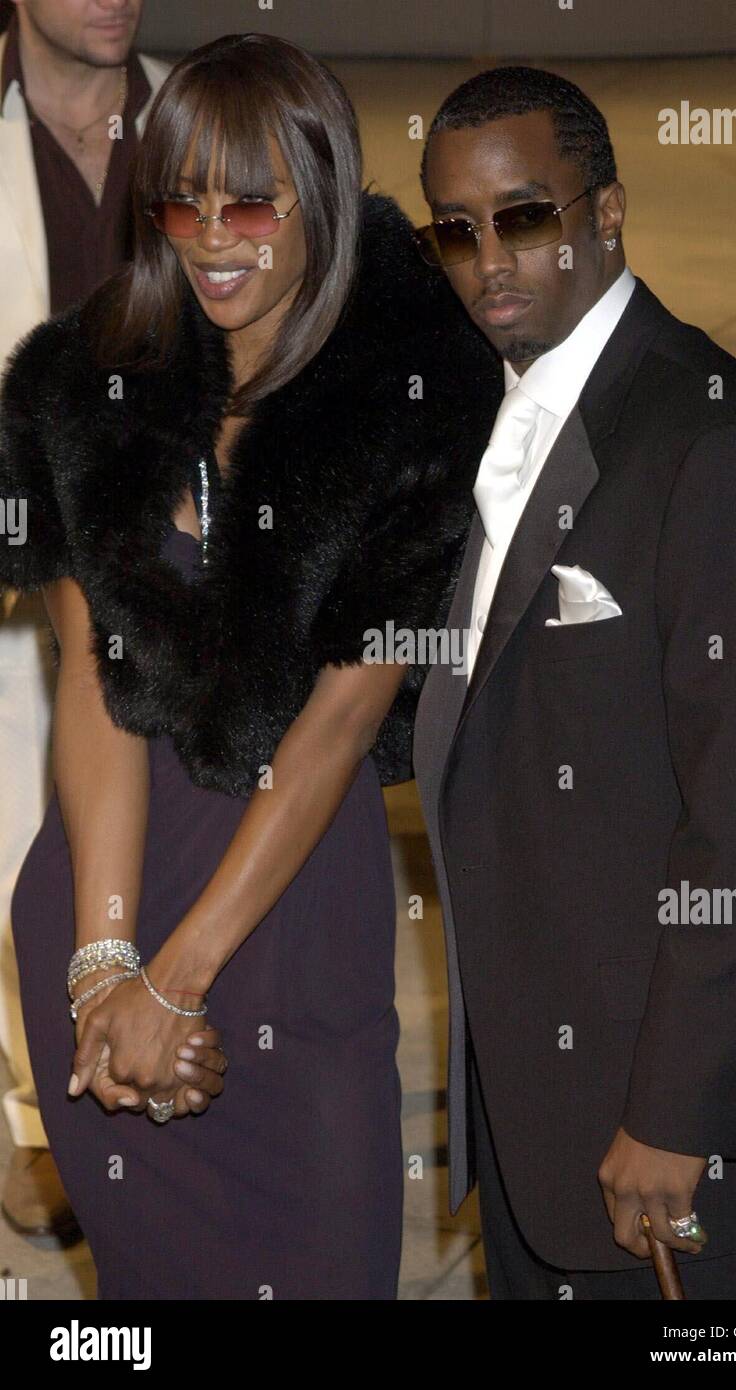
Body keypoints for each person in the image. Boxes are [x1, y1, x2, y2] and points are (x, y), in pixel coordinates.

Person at [0, 32, 502, 1299]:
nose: (212, 235)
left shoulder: (412, 391)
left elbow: (339, 724)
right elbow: (93, 682)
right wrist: (106, 968)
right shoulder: (84, 383)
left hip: (287, 912)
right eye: (181, 199)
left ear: (320, 192)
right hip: (101, 892)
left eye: (252, 199)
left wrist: (181, 980)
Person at [412, 66, 736, 1300]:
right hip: (539, 1134)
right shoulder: (507, 417)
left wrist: (678, 1114)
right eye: (458, 230)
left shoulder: (722, 448)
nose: (492, 259)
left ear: (605, 213)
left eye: (526, 216)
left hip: (673, 1159)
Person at [0, 0, 171, 1243]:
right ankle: (30, 1122)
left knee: (161, 862)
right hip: (17, 599)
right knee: (17, 848)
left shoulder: (205, 127)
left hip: (182, 591)